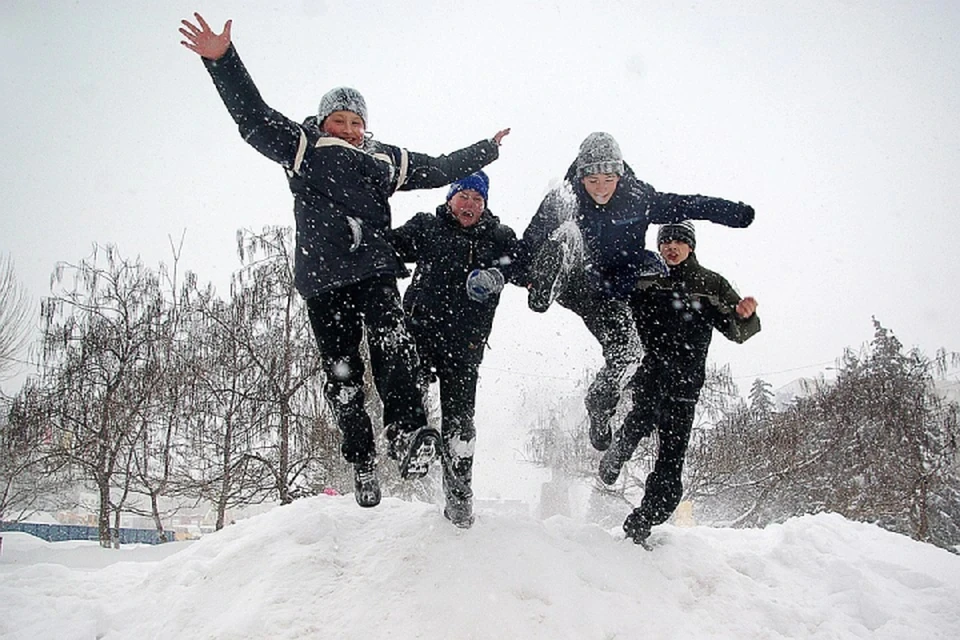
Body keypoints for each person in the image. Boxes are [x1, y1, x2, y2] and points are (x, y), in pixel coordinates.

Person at [179, 13, 510, 509]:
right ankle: (362, 461)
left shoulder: (384, 159)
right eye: (342, 121)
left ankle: (405, 434)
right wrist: (222, 60)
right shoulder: (306, 147)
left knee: (394, 349)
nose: (351, 130)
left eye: (357, 123)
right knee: (344, 372)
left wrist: (485, 150)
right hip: (325, 278)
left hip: (375, 272)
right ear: (325, 120)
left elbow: (440, 169)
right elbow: (253, 118)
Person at [518, 132, 755, 454]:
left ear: (619, 175)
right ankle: (550, 278)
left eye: (608, 179)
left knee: (629, 353)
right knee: (568, 232)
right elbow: (528, 243)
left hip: (609, 294)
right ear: (581, 176)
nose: (600, 188)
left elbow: (686, 204)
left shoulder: (637, 196)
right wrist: (523, 276)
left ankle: (600, 405)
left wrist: (732, 213)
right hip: (574, 282)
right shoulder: (562, 198)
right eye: (592, 179)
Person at [598, 221, 760, 548]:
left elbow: (737, 331)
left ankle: (643, 521)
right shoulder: (645, 278)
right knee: (639, 421)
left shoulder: (709, 283)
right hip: (649, 375)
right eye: (666, 241)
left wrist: (744, 316)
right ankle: (616, 454)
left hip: (685, 386)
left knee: (671, 467)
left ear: (691, 246)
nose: (671, 247)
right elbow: (610, 300)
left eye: (679, 241)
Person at [388, 171, 519, 528]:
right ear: (451, 198)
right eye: (464, 197)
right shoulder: (427, 227)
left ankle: (460, 498)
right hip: (420, 330)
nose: (470, 205)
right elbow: (390, 245)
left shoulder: (497, 236)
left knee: (461, 425)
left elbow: (523, 265)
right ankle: (408, 440)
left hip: (465, 343)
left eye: (478, 200)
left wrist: (497, 275)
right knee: (404, 382)